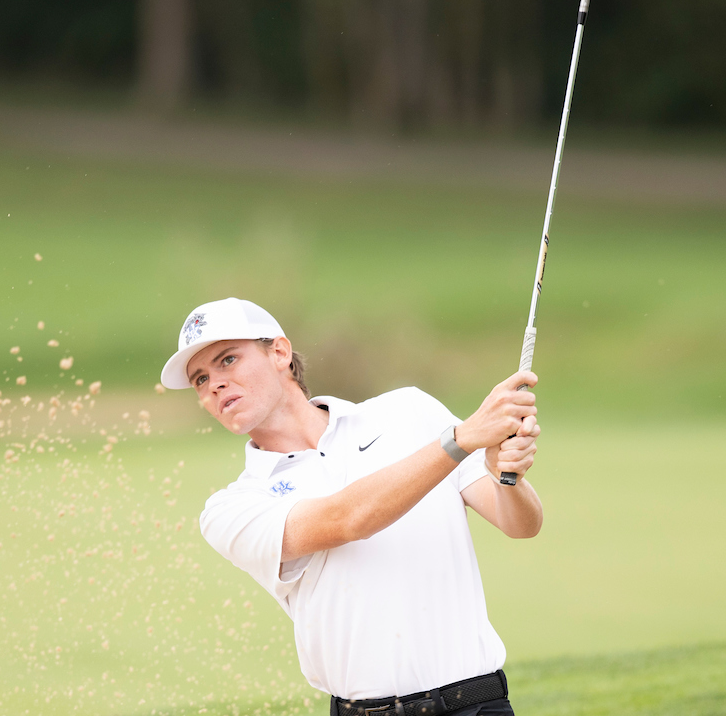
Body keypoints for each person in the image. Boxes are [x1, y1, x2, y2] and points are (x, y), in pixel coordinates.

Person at [160, 297, 544, 716]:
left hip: (476, 703)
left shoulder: (408, 410)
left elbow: (521, 523)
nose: (214, 383)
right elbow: (348, 520)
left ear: (280, 353)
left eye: (228, 360)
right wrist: (461, 440)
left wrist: (505, 474)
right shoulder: (230, 508)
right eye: (200, 379)